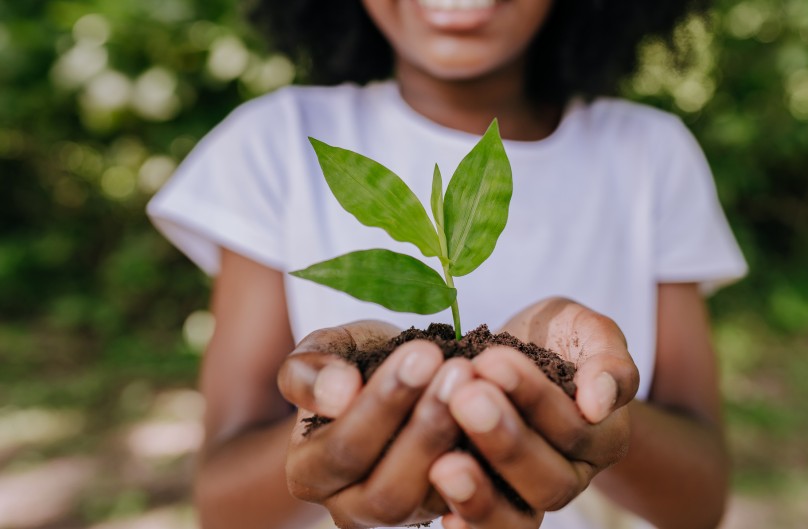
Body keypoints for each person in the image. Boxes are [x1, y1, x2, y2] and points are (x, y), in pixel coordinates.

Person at [147, 1, 747, 528]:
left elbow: (699, 503)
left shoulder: (650, 155)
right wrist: (346, 424)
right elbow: (222, 506)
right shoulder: (273, 144)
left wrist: (593, 415)